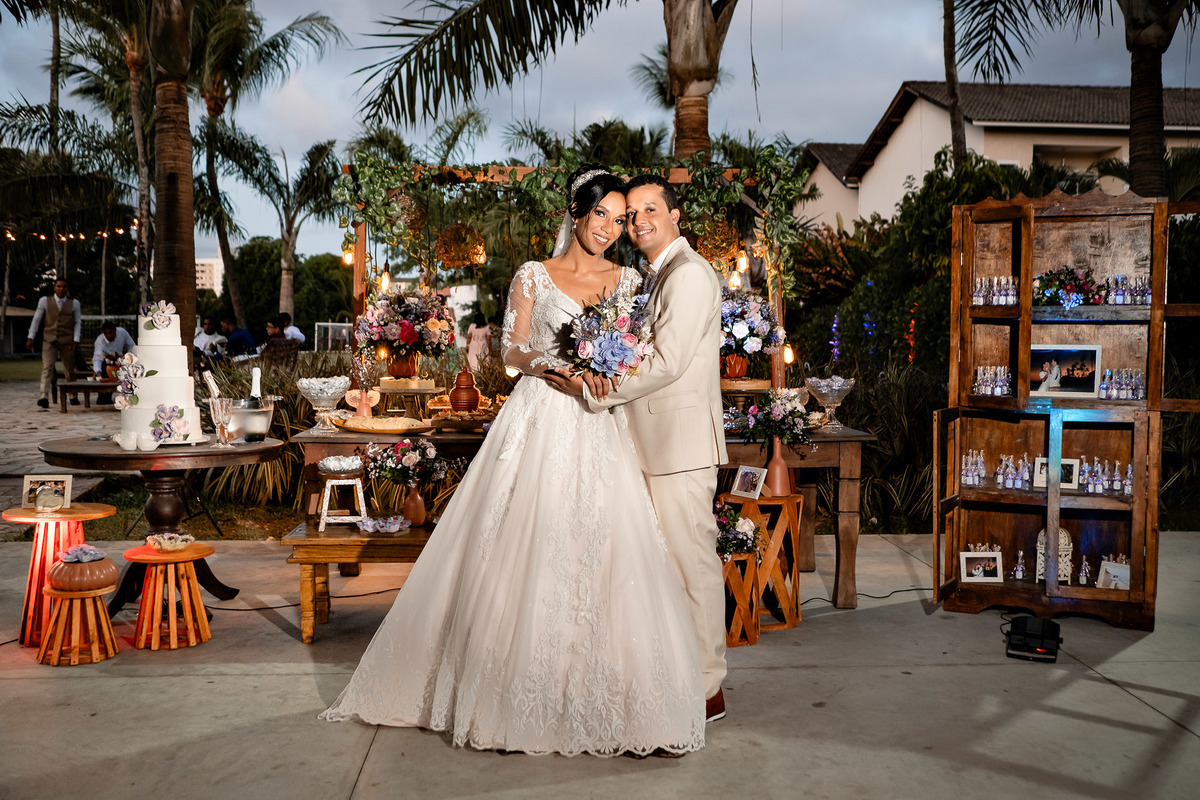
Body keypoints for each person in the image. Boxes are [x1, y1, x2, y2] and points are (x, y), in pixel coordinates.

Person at [321, 166, 705, 757]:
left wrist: (603, 369)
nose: (611, 227)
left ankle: (604, 689)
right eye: (601, 213)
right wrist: (550, 366)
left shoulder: (632, 279)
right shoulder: (534, 274)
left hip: (602, 421)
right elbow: (512, 348)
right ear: (576, 213)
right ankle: (510, 689)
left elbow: (646, 350)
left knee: (604, 548)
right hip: (541, 415)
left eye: (619, 217)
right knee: (525, 541)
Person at [545, 173, 729, 724]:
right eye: (632, 213)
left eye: (651, 208)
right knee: (662, 567)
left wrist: (594, 391)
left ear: (675, 216)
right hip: (649, 443)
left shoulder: (690, 275)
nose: (640, 220)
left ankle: (708, 687)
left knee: (691, 565)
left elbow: (668, 362)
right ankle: (675, 673)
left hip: (679, 447)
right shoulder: (655, 276)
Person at [26, 278, 82, 408]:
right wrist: (30, 337)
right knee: (47, 367)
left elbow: (78, 322)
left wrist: (76, 339)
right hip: (49, 339)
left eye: (64, 287)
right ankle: (43, 396)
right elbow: (36, 320)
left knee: (69, 368)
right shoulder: (45, 301)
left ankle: (73, 395)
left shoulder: (74, 303)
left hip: (67, 339)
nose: (61, 289)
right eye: (59, 286)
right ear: (54, 288)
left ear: (67, 289)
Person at [92, 322, 135, 402]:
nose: (108, 335)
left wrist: (128, 357)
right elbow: (97, 357)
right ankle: (103, 397)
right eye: (106, 333)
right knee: (105, 376)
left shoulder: (122, 332)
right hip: (106, 362)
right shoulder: (100, 340)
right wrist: (97, 370)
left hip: (120, 360)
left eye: (111, 332)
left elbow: (132, 346)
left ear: (115, 330)